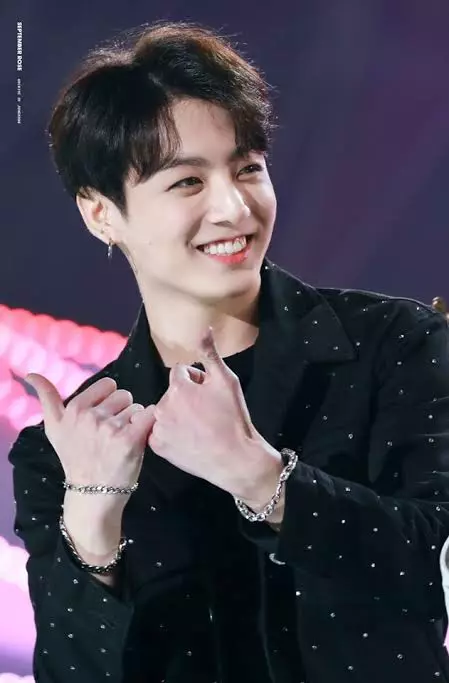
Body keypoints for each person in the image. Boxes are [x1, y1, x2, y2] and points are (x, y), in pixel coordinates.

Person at [8, 20, 449, 683]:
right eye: (187, 182)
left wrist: (260, 475)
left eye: (247, 169)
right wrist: (93, 522)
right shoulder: (64, 449)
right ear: (101, 213)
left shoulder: (394, 345)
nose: (234, 207)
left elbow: (431, 567)